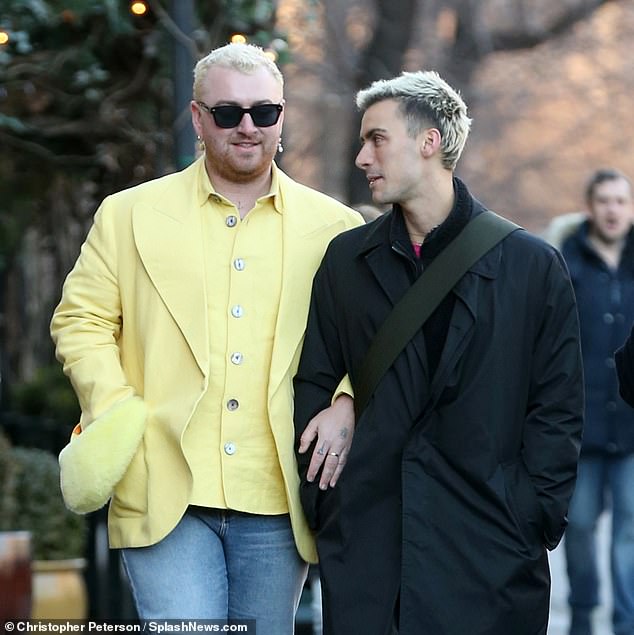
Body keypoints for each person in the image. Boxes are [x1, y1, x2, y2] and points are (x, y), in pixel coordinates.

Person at [50, 42, 362, 630]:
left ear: (282, 115)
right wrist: (117, 412)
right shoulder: (129, 214)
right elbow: (81, 318)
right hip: (163, 481)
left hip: (279, 493)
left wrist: (346, 399)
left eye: (264, 113)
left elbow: (367, 339)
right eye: (227, 113)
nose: (247, 127)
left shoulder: (337, 228)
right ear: (198, 118)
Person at [293, 70, 584, 635]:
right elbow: (314, 378)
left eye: (376, 138)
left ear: (430, 142)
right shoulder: (345, 262)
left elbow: (558, 405)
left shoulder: (532, 266)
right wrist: (330, 501)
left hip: (491, 548)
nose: (360, 157)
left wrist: (530, 515)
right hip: (372, 548)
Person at [548, 168, 634, 635]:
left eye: (621, 200)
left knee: (629, 533)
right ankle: (582, 616)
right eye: (604, 200)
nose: (612, 210)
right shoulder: (566, 262)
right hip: (580, 427)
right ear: (590, 206)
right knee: (578, 527)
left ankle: (626, 623)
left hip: (632, 427)